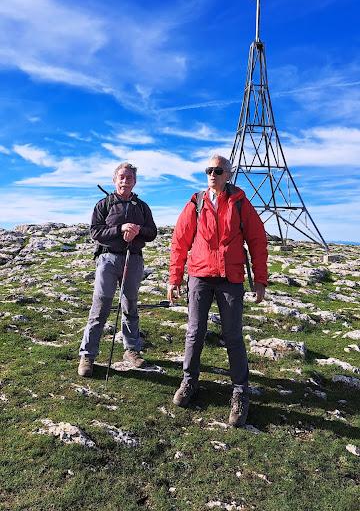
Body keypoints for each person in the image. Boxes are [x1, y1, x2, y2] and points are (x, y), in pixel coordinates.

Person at [167, 155, 268, 427]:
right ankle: (189, 382)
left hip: (230, 277)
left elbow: (258, 240)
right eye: (209, 170)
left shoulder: (241, 203)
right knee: (194, 332)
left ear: (228, 174)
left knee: (233, 336)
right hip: (200, 275)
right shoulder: (196, 202)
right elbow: (180, 240)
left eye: (218, 170)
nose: (212, 174)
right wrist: (174, 277)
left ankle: (240, 391)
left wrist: (260, 279)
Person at [78, 162, 157, 377]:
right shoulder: (103, 204)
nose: (125, 181)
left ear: (134, 181)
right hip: (108, 259)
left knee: (130, 303)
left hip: (134, 259)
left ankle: (131, 350)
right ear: (115, 180)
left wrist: (138, 229)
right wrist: (120, 229)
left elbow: (152, 233)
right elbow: (95, 232)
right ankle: (88, 355)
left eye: (129, 177)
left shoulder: (142, 207)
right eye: (121, 177)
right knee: (101, 305)